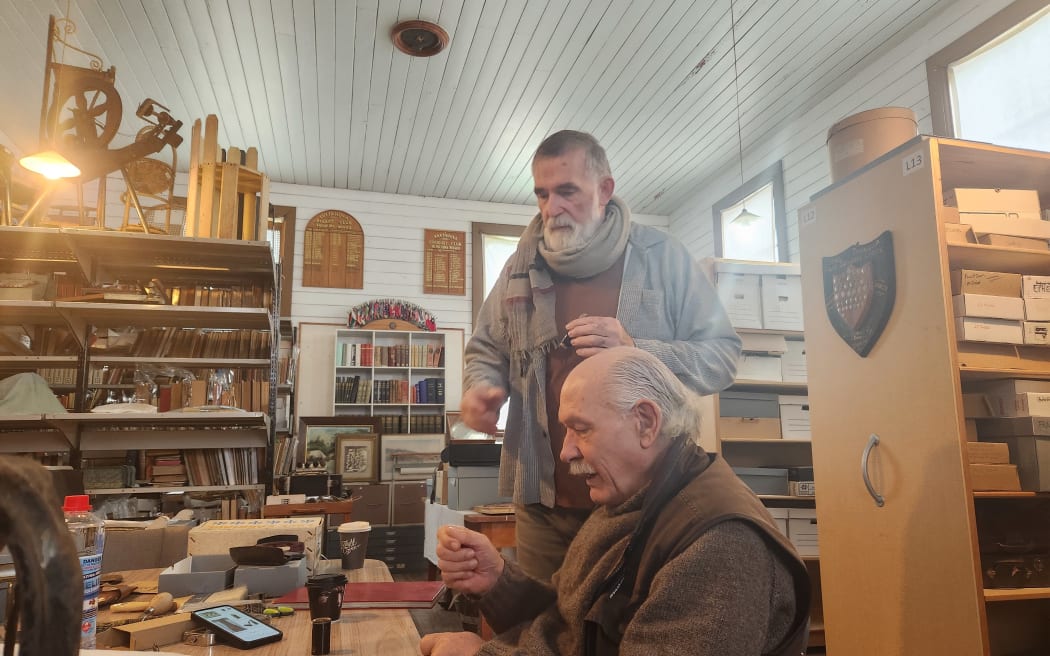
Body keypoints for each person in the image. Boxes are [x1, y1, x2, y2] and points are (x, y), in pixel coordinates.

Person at [461, 130, 742, 581]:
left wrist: (637, 350)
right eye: (543, 194)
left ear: (605, 191)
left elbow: (722, 358)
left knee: (632, 633)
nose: (553, 209)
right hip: (543, 503)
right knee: (540, 628)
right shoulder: (518, 267)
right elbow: (484, 349)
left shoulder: (662, 258)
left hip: (646, 503)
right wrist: (481, 386)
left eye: (568, 192)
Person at [423, 348, 809, 656]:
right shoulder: (630, 499)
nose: (566, 452)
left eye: (581, 429)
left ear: (645, 422)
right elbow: (572, 622)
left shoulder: (720, 546)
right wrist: (499, 582)